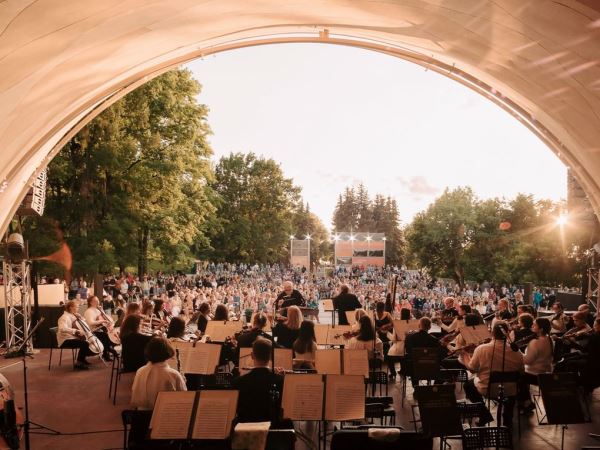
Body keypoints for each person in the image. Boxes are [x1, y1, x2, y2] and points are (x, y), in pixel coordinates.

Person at [463, 321, 524, 427]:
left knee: (468, 385)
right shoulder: (517, 352)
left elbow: (472, 369)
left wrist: (465, 356)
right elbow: (521, 372)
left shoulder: (482, 349)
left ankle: (484, 414)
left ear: (492, 333)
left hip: (488, 389)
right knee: (512, 390)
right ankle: (507, 419)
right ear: (508, 333)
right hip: (510, 390)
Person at [232, 338, 283, 423]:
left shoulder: (238, 382)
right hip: (272, 428)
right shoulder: (280, 380)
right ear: (271, 356)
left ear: (252, 355)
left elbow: (235, 410)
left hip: (245, 428)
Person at [130, 337, 187, 410]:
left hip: (142, 415)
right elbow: (183, 396)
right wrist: (183, 381)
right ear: (168, 353)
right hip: (164, 415)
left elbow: (135, 394)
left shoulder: (140, 371)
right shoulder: (174, 374)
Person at [518, 318, 553, 414]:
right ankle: (526, 402)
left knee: (517, 376)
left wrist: (519, 352)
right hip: (546, 373)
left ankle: (526, 403)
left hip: (535, 374)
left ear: (541, 329)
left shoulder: (535, 342)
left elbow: (527, 361)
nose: (532, 326)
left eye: (534, 325)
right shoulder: (548, 338)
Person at [57, 300, 94, 370]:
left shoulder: (73, 316)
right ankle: (79, 363)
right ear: (71, 308)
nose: (78, 308)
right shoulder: (64, 317)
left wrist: (80, 317)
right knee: (85, 344)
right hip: (65, 340)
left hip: (72, 337)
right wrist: (76, 331)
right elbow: (62, 328)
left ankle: (82, 359)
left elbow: (82, 324)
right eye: (76, 307)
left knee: (87, 342)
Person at [83, 295, 116, 361]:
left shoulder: (98, 310)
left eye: (98, 300)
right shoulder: (89, 311)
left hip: (100, 330)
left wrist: (102, 311)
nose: (98, 302)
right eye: (95, 301)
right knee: (105, 336)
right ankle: (107, 353)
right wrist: (103, 321)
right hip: (93, 331)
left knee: (111, 335)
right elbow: (90, 322)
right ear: (91, 303)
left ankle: (108, 350)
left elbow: (105, 319)